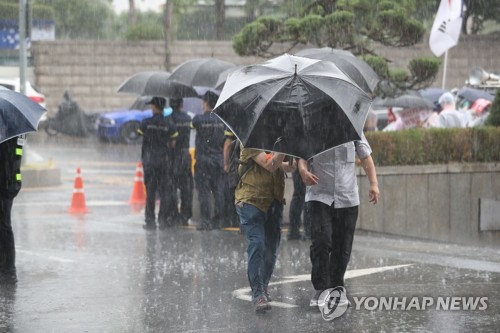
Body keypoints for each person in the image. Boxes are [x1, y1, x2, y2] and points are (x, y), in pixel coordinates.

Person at [298, 138, 381, 307]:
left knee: (342, 246)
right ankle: (321, 289)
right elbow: (302, 157)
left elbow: (366, 157)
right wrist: (303, 171)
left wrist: (374, 184)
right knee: (321, 242)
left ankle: (337, 287)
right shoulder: (314, 128)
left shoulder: (353, 129)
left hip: (347, 197)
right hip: (319, 195)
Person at [235, 148, 296, 313]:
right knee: (258, 243)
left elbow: (278, 164)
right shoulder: (250, 138)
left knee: (271, 249)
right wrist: (285, 146)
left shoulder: (275, 137)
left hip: (274, 200)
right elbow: (269, 163)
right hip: (251, 200)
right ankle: (258, 293)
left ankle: (263, 286)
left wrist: (290, 165)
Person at [137, 96, 178, 230]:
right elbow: (173, 143)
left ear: (154, 107)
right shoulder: (169, 124)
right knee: (164, 191)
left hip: (149, 162)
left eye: (151, 105)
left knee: (150, 192)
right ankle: (163, 219)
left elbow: (139, 135)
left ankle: (150, 221)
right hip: (164, 161)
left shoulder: (146, 122)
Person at [191, 91, 226, 231]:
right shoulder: (222, 120)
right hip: (218, 160)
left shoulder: (198, 119)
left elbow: (193, 125)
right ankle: (218, 220)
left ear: (205, 103)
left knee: (204, 192)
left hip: (203, 161)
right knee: (218, 191)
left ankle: (206, 221)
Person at [0, 134, 26, 283]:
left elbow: (10, 157)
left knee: (4, 226)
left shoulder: (9, 132)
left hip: (6, 182)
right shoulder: (12, 128)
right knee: (3, 226)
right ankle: (6, 267)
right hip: (9, 180)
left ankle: (8, 270)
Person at [169, 98, 193, 226]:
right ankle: (185, 215)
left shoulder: (169, 119)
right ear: (181, 105)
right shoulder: (188, 118)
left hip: (173, 156)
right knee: (186, 187)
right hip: (185, 154)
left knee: (172, 186)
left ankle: (173, 214)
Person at [222, 130, 240, 228]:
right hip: (247, 165)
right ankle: (241, 222)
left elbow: (227, 146)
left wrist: (226, 164)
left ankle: (232, 219)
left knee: (232, 193)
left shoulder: (233, 125)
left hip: (235, 164)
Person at [287, 166, 308, 240]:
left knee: (298, 195)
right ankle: (308, 231)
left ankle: (293, 230)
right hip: (308, 161)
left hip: (297, 160)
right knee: (307, 196)